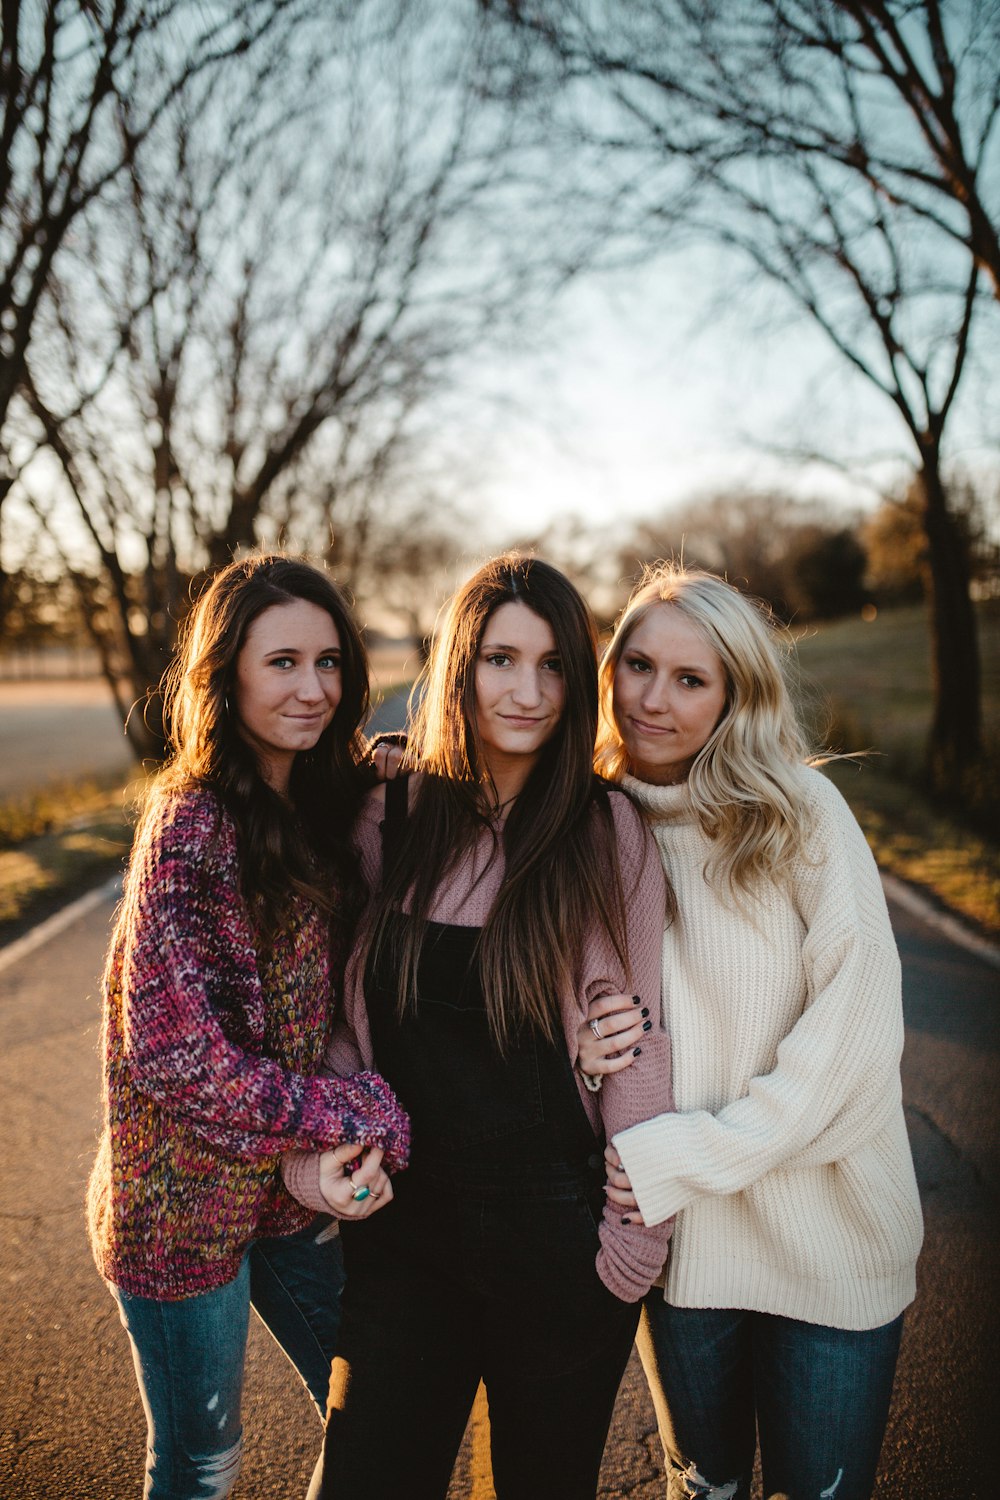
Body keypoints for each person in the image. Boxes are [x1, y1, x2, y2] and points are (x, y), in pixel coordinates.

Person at [284, 553, 675, 1500]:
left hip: (555, 1249)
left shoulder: (603, 827)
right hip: (403, 1247)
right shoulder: (393, 811)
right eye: (502, 658)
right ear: (461, 664)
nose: (528, 691)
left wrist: (635, 1239)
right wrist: (311, 1166)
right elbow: (341, 1024)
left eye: (552, 665)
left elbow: (638, 1044)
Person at [576, 563, 924, 1500]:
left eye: (690, 680)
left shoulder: (800, 813)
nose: (653, 700)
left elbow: (850, 1049)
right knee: (707, 1487)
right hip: (686, 1255)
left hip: (831, 1240)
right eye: (638, 666)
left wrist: (693, 1151)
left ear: (735, 696)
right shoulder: (582, 824)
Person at [86, 555, 410, 1500]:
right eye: (283, 663)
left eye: (328, 662)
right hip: (179, 1208)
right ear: (225, 673)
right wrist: (354, 1108)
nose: (313, 688)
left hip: (283, 1195)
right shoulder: (189, 824)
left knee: (380, 1418)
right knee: (200, 1467)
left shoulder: (314, 801)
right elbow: (181, 1061)